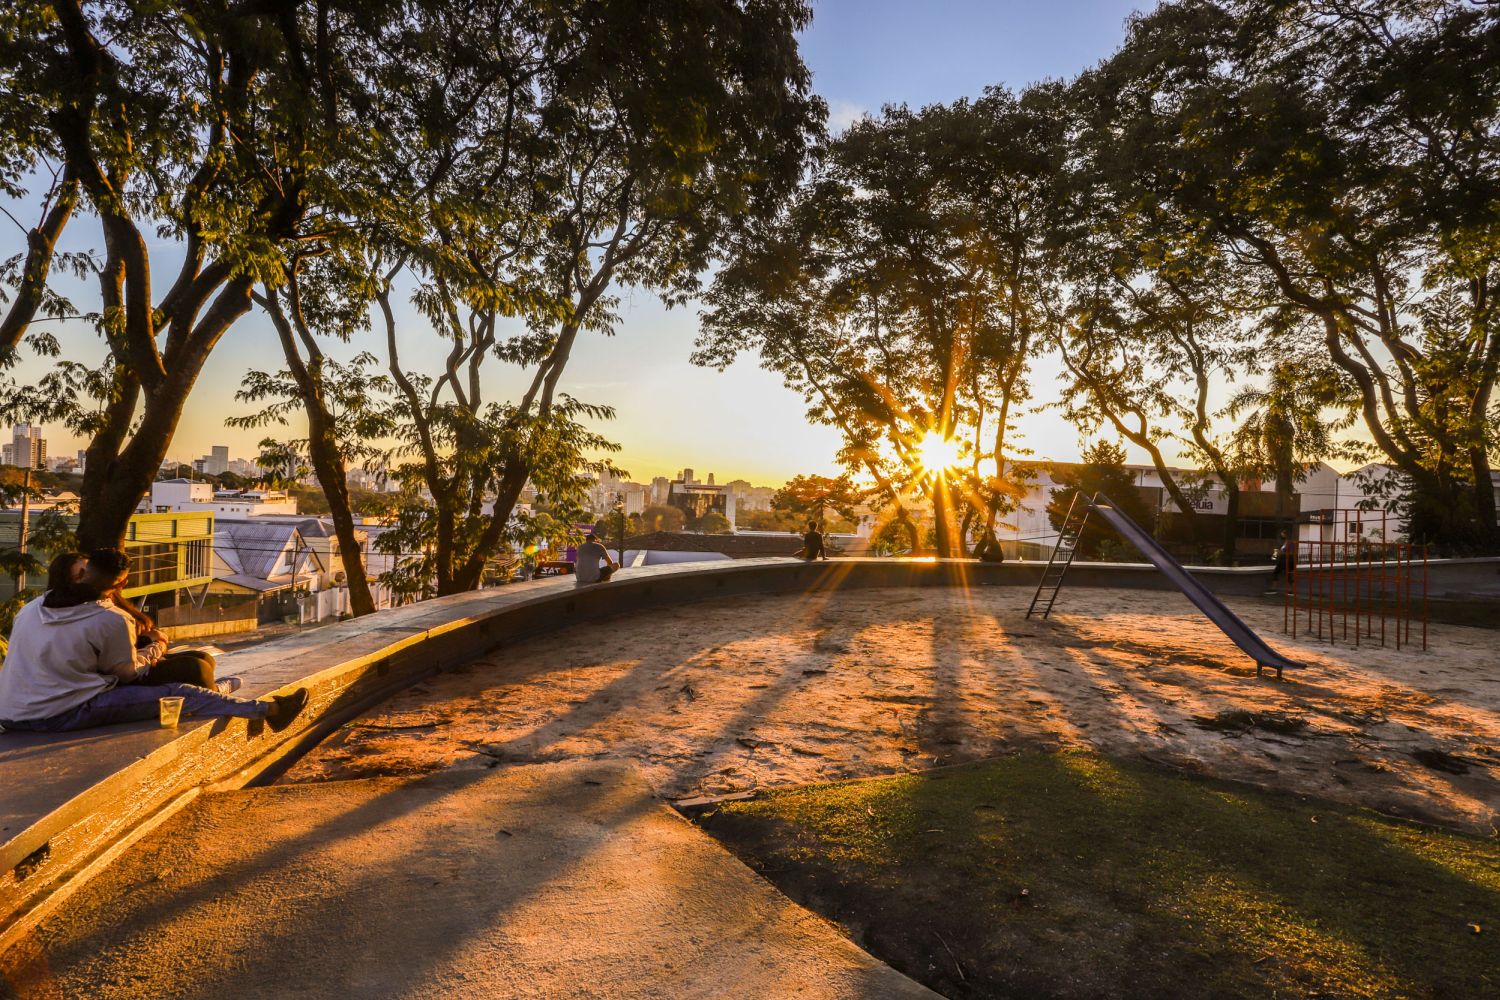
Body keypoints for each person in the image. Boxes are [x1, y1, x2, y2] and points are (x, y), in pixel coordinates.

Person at [0, 549, 307, 734]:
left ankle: (221, 691)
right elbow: (127, 674)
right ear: (122, 582)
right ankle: (272, 712)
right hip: (61, 713)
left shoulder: (33, 607)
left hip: (12, 711)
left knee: (192, 671)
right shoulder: (109, 618)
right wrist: (156, 647)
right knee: (180, 693)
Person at [1268, 530, 1293, 594]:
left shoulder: (1290, 543)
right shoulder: (1283, 543)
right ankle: (1273, 588)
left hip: (1287, 560)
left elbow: (1290, 553)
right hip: (1282, 560)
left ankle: (1291, 590)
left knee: (1288, 575)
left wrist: (1281, 553)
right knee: (1276, 572)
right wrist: (1275, 555)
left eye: (1282, 534)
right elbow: (1278, 550)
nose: (1281, 536)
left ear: (1286, 535)